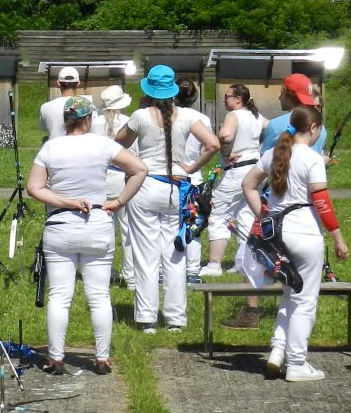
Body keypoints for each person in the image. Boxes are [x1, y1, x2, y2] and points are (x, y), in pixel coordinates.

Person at [27, 95, 147, 374]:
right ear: (88, 119)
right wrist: (119, 201)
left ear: (66, 121)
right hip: (97, 223)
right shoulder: (103, 144)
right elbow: (140, 169)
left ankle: (56, 357)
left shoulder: (50, 147)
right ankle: (102, 358)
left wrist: (67, 201)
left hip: (60, 226)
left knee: (59, 296)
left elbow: (34, 188)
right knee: (99, 295)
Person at [241, 105, 349, 382]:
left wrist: (263, 216)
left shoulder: (274, 153)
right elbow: (322, 203)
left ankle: (278, 351)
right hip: (305, 234)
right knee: (304, 301)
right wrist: (338, 238)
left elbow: (248, 185)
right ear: (313, 128)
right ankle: (297, 363)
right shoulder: (312, 159)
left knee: (289, 295)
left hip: (278, 234)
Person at [114, 64, 220, 333]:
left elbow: (119, 142)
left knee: (145, 255)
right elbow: (213, 144)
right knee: (175, 253)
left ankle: (147, 318)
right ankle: (175, 318)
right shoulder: (188, 116)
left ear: (149, 90)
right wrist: (191, 168)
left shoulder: (140, 116)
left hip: (146, 184)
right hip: (177, 187)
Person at [201, 84, 268, 279]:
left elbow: (225, 135)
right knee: (246, 215)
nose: (224, 100)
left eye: (227, 97)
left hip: (236, 170)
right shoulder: (257, 116)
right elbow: (274, 129)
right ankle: (243, 262)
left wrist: (224, 150)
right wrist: (260, 149)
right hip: (255, 170)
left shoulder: (234, 115)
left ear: (238, 99)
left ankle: (214, 264)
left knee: (219, 214)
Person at [173, 80, 213, 283]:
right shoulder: (203, 119)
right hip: (193, 176)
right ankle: (192, 272)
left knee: (168, 225)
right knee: (194, 226)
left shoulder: (166, 115)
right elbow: (208, 147)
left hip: (170, 175)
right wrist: (194, 166)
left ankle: (164, 270)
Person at [97, 84, 136, 286]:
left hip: (100, 177)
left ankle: (105, 272)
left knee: (104, 227)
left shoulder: (94, 123)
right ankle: (131, 275)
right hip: (124, 177)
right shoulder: (130, 122)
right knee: (128, 228)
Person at [260, 73, 327, 154]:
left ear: (290, 96)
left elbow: (264, 157)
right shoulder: (321, 128)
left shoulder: (275, 125)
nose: (279, 98)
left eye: (281, 93)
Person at [39, 66, 91, 140]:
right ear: (78, 83)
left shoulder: (45, 107)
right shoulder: (87, 106)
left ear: (58, 83)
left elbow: (45, 128)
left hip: (54, 146)